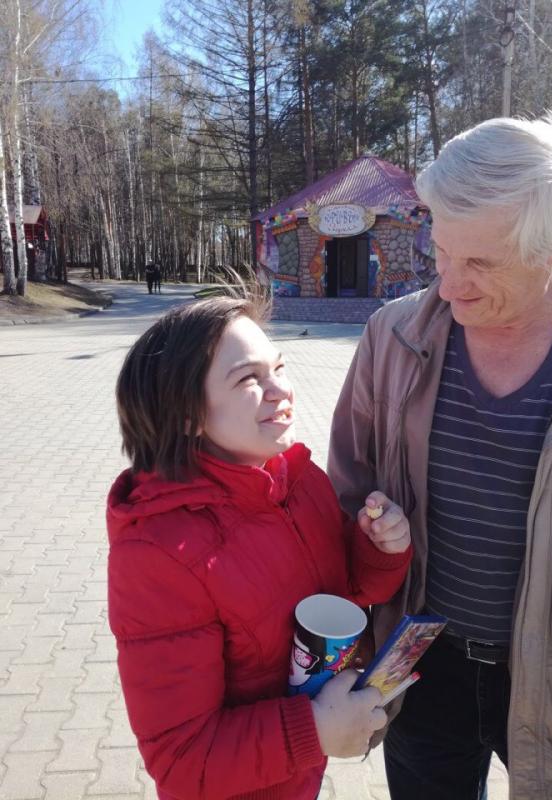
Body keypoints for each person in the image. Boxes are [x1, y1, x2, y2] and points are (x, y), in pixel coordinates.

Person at [327, 109, 552, 799]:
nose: (448, 285)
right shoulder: (393, 337)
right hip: (420, 663)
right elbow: (345, 494)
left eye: (480, 262)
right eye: (441, 252)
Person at [106, 289, 413, 800]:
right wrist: (314, 730)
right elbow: (181, 763)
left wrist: (382, 548)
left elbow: (350, 594)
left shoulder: (296, 478)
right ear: (187, 416)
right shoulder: (158, 551)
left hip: (297, 778)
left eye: (279, 367)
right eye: (248, 379)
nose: (280, 391)